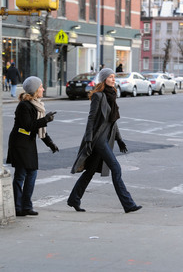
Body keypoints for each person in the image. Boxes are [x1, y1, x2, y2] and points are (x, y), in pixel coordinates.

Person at [67, 68, 142, 213]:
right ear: (104, 79)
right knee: (116, 168)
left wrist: (119, 139)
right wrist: (88, 140)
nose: (113, 79)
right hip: (98, 140)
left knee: (89, 172)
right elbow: (91, 119)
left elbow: (112, 121)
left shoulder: (112, 96)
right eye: (110, 77)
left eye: (114, 77)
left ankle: (73, 199)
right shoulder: (98, 96)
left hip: (107, 139)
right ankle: (128, 204)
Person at [6, 76, 59, 216]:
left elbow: (39, 130)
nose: (43, 88)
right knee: (21, 174)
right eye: (41, 86)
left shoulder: (36, 105)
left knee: (31, 173)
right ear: (35, 90)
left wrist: (50, 143)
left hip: (28, 143)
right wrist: (45, 119)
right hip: (19, 143)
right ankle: (18, 207)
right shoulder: (24, 105)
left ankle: (26, 206)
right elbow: (29, 126)